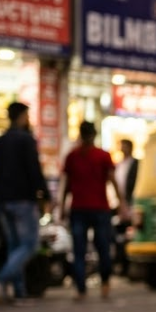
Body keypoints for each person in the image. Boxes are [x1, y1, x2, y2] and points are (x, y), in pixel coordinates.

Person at [0, 102, 50, 304]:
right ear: (22, 117)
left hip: (3, 200)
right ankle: (0, 278)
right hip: (22, 200)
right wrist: (44, 194)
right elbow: (34, 169)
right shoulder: (25, 140)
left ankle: (19, 291)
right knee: (29, 245)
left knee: (15, 246)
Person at [61, 121, 125, 301]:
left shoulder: (73, 156)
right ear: (94, 135)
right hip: (99, 208)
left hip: (79, 208)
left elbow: (67, 185)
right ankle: (105, 283)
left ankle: (81, 289)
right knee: (103, 247)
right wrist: (121, 203)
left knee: (79, 250)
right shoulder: (102, 155)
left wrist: (62, 206)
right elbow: (112, 180)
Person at [112, 138, 138, 276]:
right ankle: (121, 264)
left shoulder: (136, 163)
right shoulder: (119, 165)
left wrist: (128, 203)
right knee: (120, 236)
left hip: (130, 204)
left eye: (124, 146)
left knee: (129, 234)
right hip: (119, 204)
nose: (122, 149)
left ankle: (128, 265)